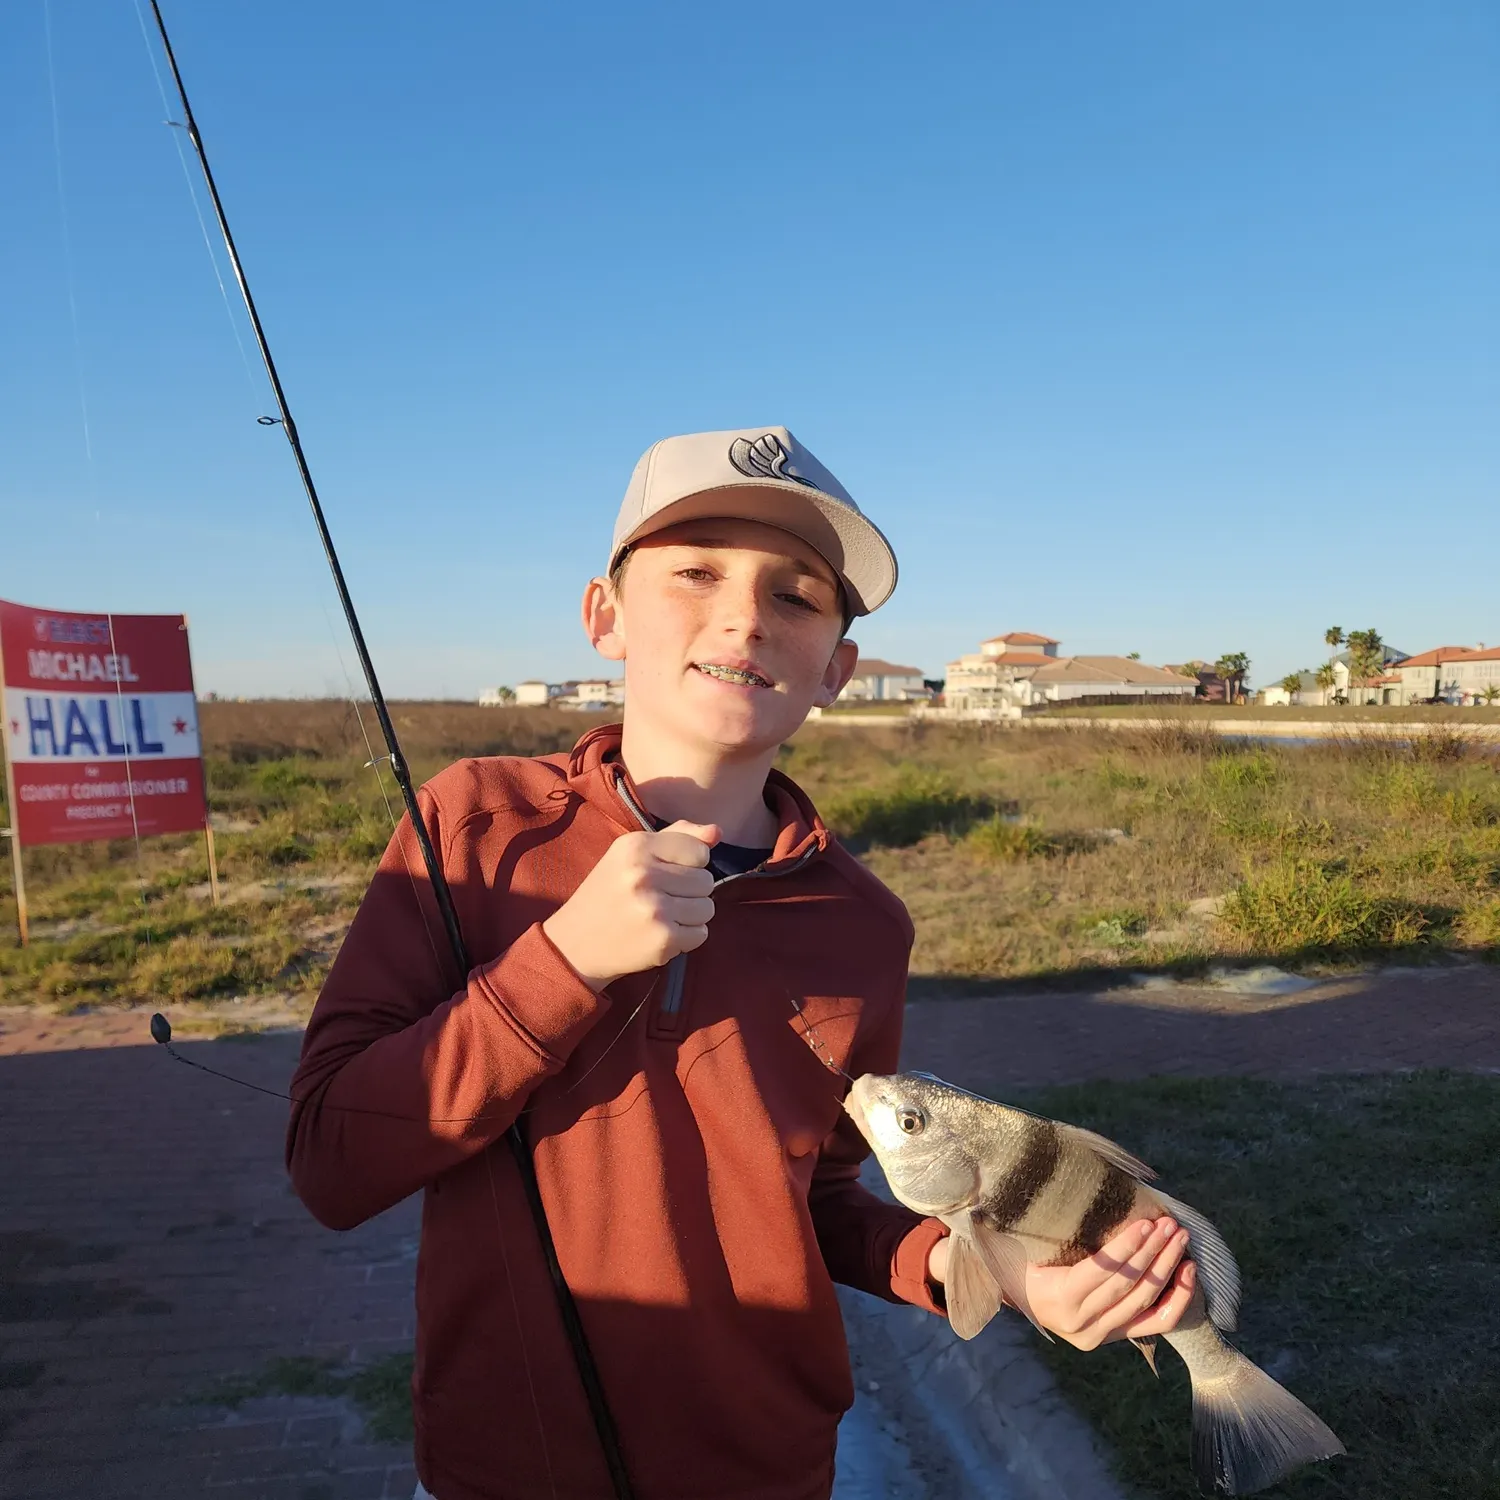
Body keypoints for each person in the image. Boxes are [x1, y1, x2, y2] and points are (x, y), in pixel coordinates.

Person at [286, 427, 1195, 1500]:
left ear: (837, 671)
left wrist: (961, 1266)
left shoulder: (864, 927)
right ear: (605, 617)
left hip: (769, 1466)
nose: (746, 617)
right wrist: (565, 960)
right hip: (505, 1464)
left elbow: (818, 1195)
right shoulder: (474, 825)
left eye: (798, 596)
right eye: (696, 572)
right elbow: (333, 1164)